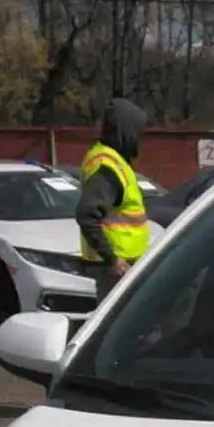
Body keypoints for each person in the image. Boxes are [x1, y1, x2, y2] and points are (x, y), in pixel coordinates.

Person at [76, 98, 149, 294]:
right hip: (115, 270)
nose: (138, 139)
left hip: (123, 267)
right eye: (136, 131)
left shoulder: (116, 161)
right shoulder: (108, 167)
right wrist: (112, 259)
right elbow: (86, 215)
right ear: (125, 130)